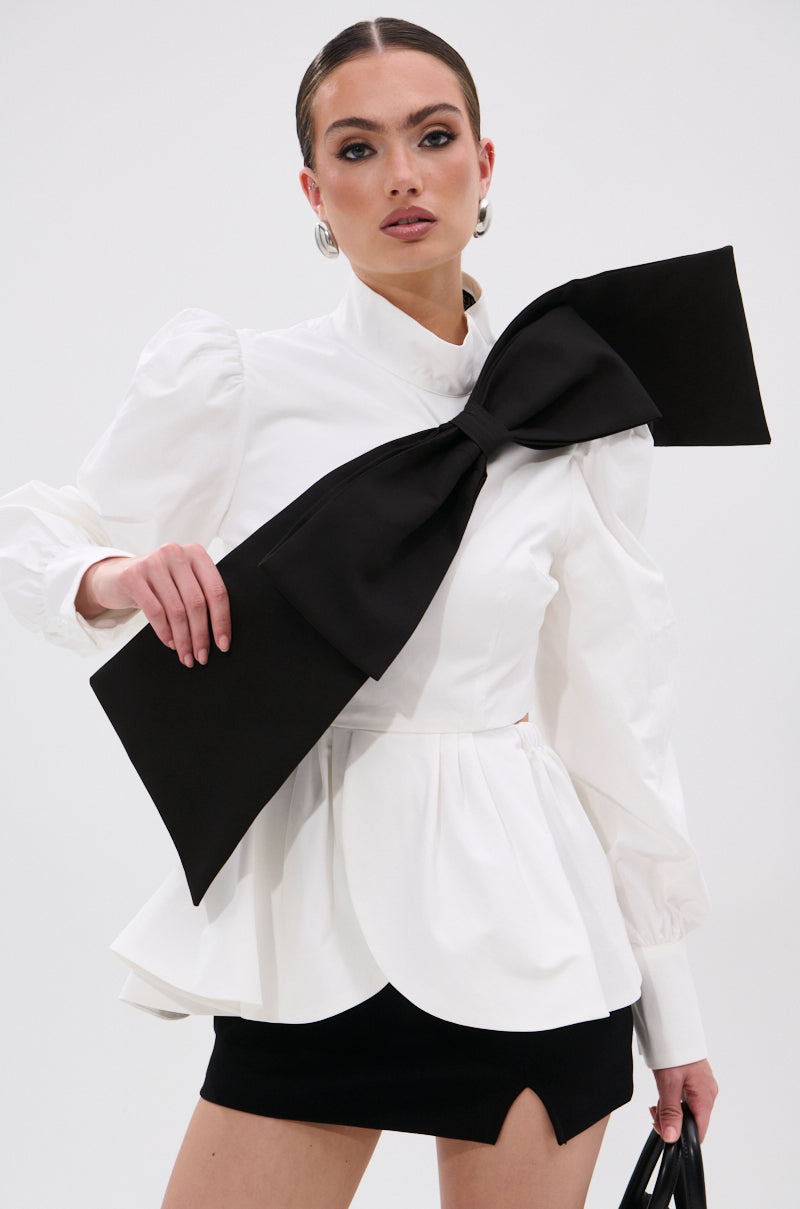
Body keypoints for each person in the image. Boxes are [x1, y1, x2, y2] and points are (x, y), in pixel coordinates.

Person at [0, 17, 719, 1209]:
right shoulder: (240, 382)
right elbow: (36, 528)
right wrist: (112, 575)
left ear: (482, 165)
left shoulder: (571, 411)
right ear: (311, 188)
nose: (398, 174)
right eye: (355, 146)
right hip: (309, 944)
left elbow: (611, 723)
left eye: (431, 137)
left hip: (533, 942)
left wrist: (673, 1006)